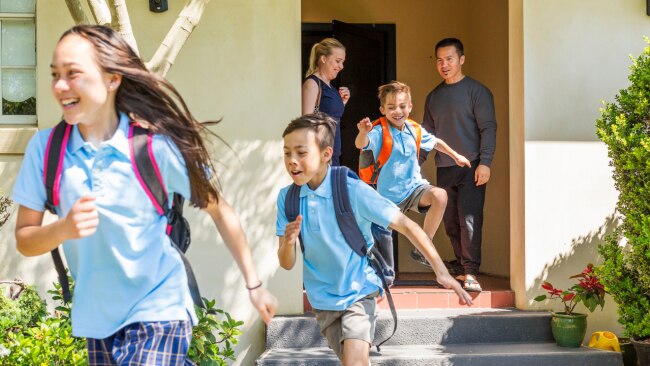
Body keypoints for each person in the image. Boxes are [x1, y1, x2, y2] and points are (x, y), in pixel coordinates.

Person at [12, 25, 277, 365]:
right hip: (97, 318)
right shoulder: (46, 150)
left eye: (73, 74)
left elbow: (220, 210)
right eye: (55, 75)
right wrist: (63, 229)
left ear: (112, 79)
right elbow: (25, 238)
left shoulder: (153, 147)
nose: (60, 86)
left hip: (159, 306)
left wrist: (254, 286)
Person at [277, 113, 473, 365]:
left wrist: (441, 271)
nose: (292, 161)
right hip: (323, 301)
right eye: (286, 153)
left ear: (326, 154)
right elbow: (286, 263)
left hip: (359, 291)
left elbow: (407, 225)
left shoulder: (352, 190)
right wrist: (288, 242)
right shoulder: (288, 199)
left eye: (301, 153)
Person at [355, 81, 471, 284]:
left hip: (413, 189)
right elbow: (362, 144)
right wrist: (363, 132)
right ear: (383, 110)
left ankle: (422, 247)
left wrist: (455, 156)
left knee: (440, 195)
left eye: (402, 106)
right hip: (385, 198)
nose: (397, 111)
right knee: (385, 268)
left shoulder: (414, 130)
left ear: (410, 106)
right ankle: (378, 278)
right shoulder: (379, 131)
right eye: (391, 107)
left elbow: (436, 142)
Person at [417, 38, 497, 293]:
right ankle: (463, 268)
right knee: (450, 221)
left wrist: (485, 163)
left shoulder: (477, 91)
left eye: (449, 59)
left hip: (472, 166)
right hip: (445, 167)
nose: (444, 65)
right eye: (439, 60)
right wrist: (415, 165)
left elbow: (488, 128)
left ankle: (471, 270)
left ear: (461, 59)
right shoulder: (434, 97)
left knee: (470, 219)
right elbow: (426, 138)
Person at [302, 38, 350, 166]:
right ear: (323, 59)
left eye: (342, 62)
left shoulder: (331, 88)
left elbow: (332, 116)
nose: (341, 66)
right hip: (320, 155)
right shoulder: (312, 83)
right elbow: (305, 123)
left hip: (333, 154)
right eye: (338, 61)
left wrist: (343, 102)